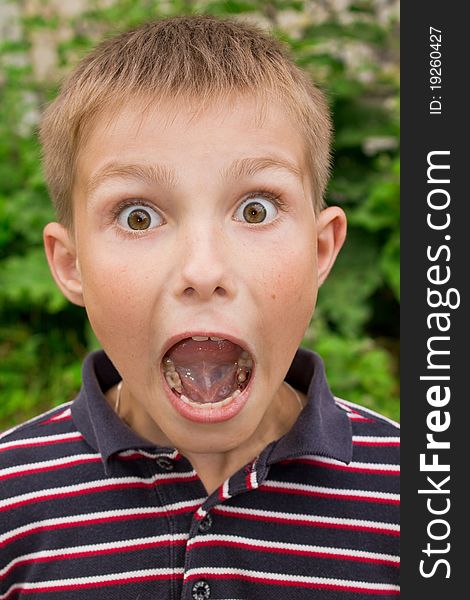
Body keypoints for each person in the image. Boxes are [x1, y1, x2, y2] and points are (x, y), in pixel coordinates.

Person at [0, 15, 399, 599]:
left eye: (256, 209)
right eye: (139, 217)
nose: (204, 271)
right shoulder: (12, 499)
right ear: (71, 263)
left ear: (320, 250)